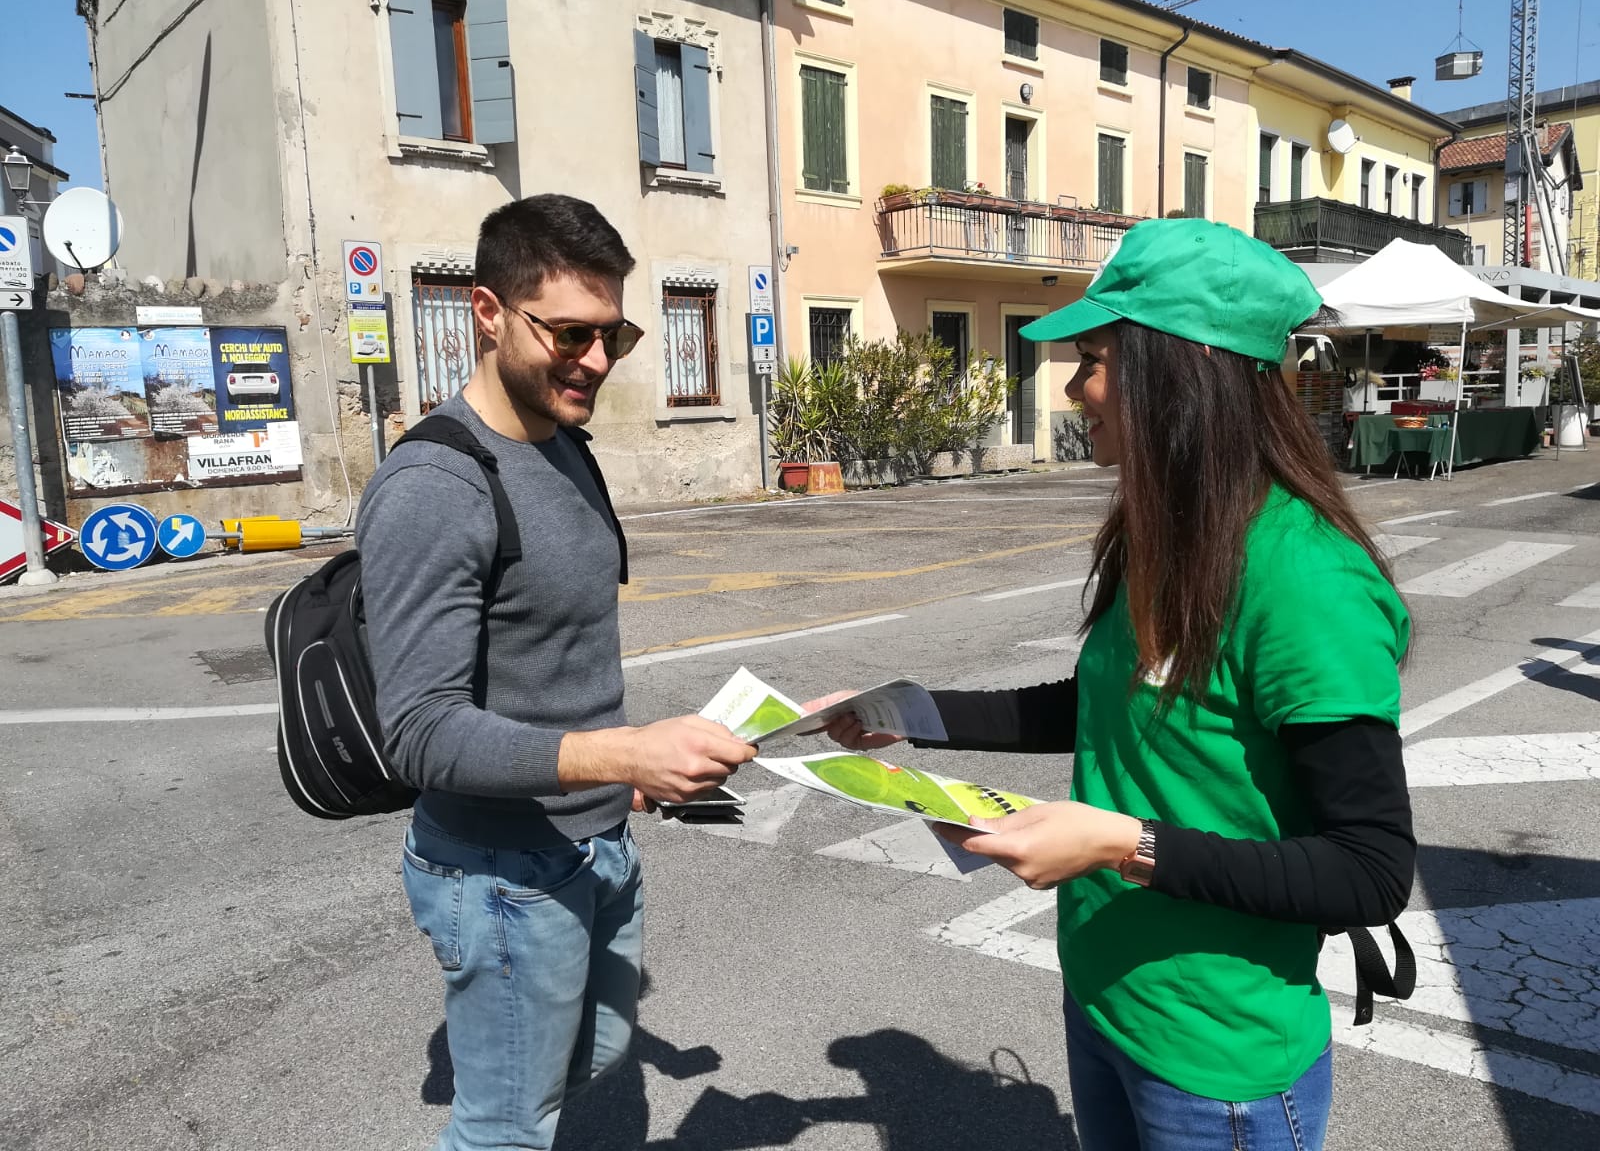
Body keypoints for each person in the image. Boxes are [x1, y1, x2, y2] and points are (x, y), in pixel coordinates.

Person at [822, 219, 1413, 1151]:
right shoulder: (1172, 530)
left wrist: (1123, 845)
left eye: (1093, 359)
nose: (1071, 387)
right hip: (1105, 996)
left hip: (1216, 1058)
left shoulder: (1308, 579)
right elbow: (1107, 708)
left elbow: (1371, 871)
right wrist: (908, 715)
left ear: (1178, 377)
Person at [356, 194, 756, 1151]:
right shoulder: (435, 487)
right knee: (505, 1126)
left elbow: (558, 659)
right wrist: (623, 753)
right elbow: (419, 731)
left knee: (601, 1053)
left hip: (596, 843)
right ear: (488, 314)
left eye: (613, 336)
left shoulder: (567, 449)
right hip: (500, 874)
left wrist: (636, 777)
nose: (596, 361)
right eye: (570, 334)